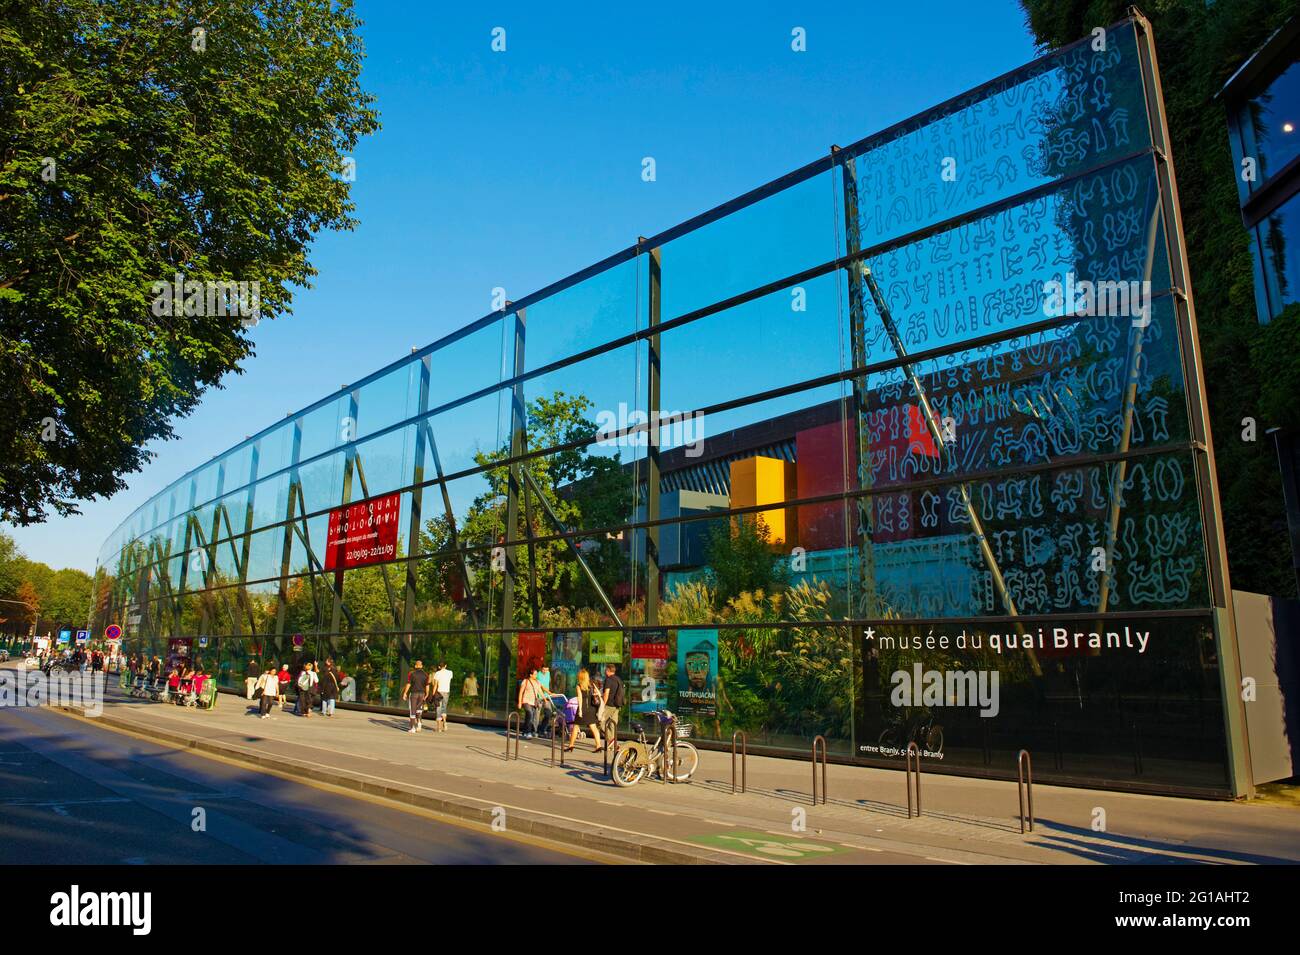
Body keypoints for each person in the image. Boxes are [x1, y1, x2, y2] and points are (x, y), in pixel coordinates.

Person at [567, 668, 602, 753]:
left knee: (576, 727)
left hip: (583, 709)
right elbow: (599, 694)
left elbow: (580, 699)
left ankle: (571, 745)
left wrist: (580, 711)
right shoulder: (591, 684)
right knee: (594, 728)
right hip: (591, 709)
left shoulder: (579, 686)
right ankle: (598, 746)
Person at [401, 660, 429, 733]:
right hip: (422, 694)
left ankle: (412, 728)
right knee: (419, 710)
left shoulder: (412, 673)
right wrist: (427, 694)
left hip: (414, 694)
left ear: (415, 666)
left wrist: (405, 693)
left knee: (412, 711)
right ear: (422, 666)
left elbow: (408, 684)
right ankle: (419, 723)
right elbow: (427, 685)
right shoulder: (426, 674)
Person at [517, 666, 543, 739]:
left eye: (536, 674)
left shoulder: (537, 682)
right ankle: (528, 732)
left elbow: (540, 691)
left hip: (533, 702)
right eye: (535, 674)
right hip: (526, 701)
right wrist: (519, 702)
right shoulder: (526, 681)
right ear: (530, 675)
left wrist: (545, 698)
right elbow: (521, 692)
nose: (536, 675)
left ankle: (524, 731)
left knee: (528, 717)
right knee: (530, 714)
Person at [601, 663, 624, 746]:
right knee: (613, 724)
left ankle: (611, 740)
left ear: (608, 670)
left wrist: (603, 704)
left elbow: (606, 693)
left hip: (609, 705)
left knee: (600, 722)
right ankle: (613, 741)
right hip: (617, 705)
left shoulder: (608, 680)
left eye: (605, 670)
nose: (604, 671)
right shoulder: (618, 679)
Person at [430, 661, 453, 733]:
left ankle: (439, 728)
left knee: (438, 708)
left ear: (439, 667)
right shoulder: (450, 672)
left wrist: (433, 694)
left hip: (439, 692)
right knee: (444, 707)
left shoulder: (437, 673)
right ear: (446, 665)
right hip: (446, 692)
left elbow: (436, 685)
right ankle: (445, 723)